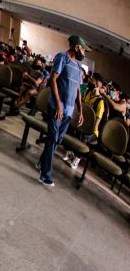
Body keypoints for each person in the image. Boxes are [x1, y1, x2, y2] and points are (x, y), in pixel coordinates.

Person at [38, 35, 87, 187]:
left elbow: (78, 90)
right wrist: (59, 104)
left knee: (57, 140)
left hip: (69, 111)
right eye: (84, 49)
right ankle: (45, 175)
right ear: (77, 47)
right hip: (57, 107)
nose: (84, 53)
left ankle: (41, 162)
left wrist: (80, 110)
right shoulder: (63, 57)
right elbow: (53, 79)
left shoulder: (79, 67)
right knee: (53, 138)